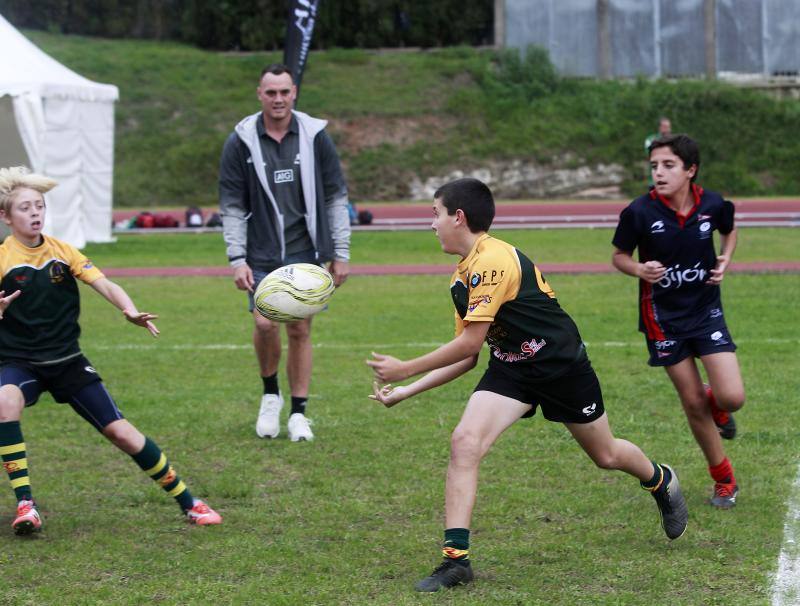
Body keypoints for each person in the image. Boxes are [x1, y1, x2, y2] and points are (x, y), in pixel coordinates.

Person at [367, 177, 688, 593]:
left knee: (606, 455)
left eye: (435, 214)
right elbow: (468, 358)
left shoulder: (494, 260)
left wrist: (405, 369)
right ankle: (456, 561)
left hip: (561, 366)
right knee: (465, 442)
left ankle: (660, 480)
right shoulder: (461, 278)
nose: (432, 224)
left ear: (458, 217)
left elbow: (468, 342)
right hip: (512, 370)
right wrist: (407, 392)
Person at [0, 166, 222, 535]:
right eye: (25, 208)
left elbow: (104, 283)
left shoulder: (62, 251)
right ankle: (27, 504)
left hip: (67, 360)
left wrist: (129, 309)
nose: (35, 213)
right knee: (5, 403)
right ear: (5, 217)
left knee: (122, 433)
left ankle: (190, 502)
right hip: (20, 363)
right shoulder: (4, 257)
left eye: (39, 205)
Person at [219, 63, 351, 442]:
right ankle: (270, 394)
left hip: (305, 252)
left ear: (294, 93)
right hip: (259, 254)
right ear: (259, 95)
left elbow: (335, 197)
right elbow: (231, 205)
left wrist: (340, 252)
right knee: (263, 323)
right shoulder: (240, 141)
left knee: (300, 328)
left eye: (284, 92)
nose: (278, 99)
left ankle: (298, 413)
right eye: (270, 92)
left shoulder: (315, 137)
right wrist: (237, 258)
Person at [612, 134, 745, 510]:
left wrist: (725, 258)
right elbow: (619, 256)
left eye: (668, 165)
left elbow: (729, 228)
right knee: (692, 403)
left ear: (690, 170)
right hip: (662, 319)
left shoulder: (713, 204)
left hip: (706, 312)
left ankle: (718, 407)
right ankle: (724, 478)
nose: (659, 172)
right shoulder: (639, 212)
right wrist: (639, 267)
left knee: (732, 397)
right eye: (654, 166)